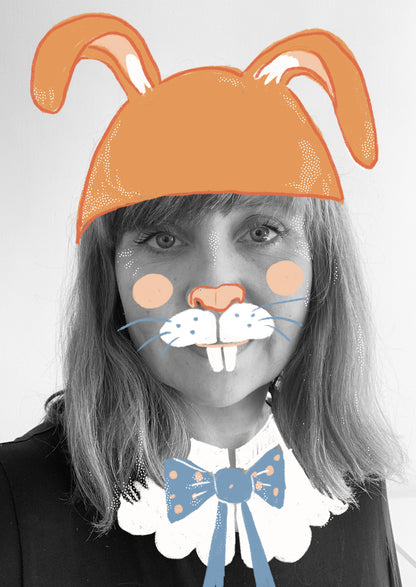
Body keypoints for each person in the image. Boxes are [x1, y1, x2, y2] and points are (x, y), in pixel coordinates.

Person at [0, 13, 403, 587]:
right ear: (109, 276)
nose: (215, 288)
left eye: (261, 232)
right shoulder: (13, 498)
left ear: (322, 265)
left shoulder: (355, 488)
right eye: (163, 239)